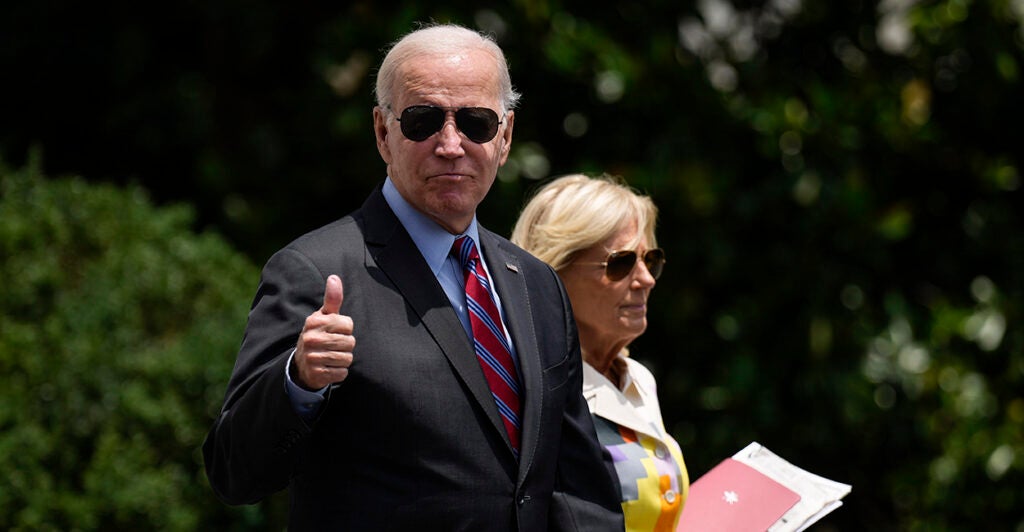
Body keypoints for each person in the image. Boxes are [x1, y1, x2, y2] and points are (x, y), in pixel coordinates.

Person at [202, 24, 623, 531]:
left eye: (476, 122)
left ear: (505, 136)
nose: (451, 144)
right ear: (383, 132)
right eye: (423, 121)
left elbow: (577, 488)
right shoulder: (316, 272)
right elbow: (233, 472)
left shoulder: (536, 284)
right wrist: (299, 381)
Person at [511, 174, 689, 531]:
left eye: (650, 259)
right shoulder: (530, 392)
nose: (646, 279)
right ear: (552, 272)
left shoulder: (637, 379)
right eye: (621, 263)